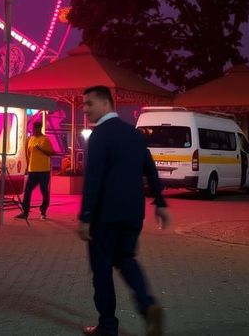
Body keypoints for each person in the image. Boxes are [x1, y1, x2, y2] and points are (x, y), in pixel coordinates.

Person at [78, 86, 168, 336]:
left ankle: (107, 326)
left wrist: (85, 217)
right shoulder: (135, 135)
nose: (85, 109)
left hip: (105, 216)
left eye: (89, 104)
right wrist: (160, 202)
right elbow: (150, 168)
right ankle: (148, 306)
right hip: (132, 213)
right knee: (126, 259)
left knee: (102, 271)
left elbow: (93, 179)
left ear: (106, 104)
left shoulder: (99, 136)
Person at [16, 120, 55, 220]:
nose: (34, 131)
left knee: (44, 191)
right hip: (33, 170)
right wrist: (27, 166)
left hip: (43, 170)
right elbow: (28, 155)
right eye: (33, 129)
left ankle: (43, 211)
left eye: (36, 129)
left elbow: (51, 153)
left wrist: (41, 150)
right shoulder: (31, 139)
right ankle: (25, 212)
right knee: (27, 190)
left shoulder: (45, 139)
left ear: (40, 128)